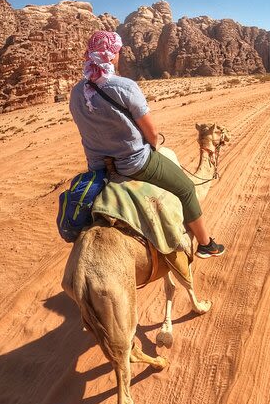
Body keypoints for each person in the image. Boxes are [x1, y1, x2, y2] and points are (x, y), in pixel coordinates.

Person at [69, 30, 225, 258]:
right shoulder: (124, 86)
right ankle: (205, 244)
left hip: (98, 167)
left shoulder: (76, 92)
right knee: (186, 188)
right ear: (111, 56)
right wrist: (154, 144)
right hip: (135, 163)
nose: (119, 56)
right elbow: (151, 134)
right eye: (118, 52)